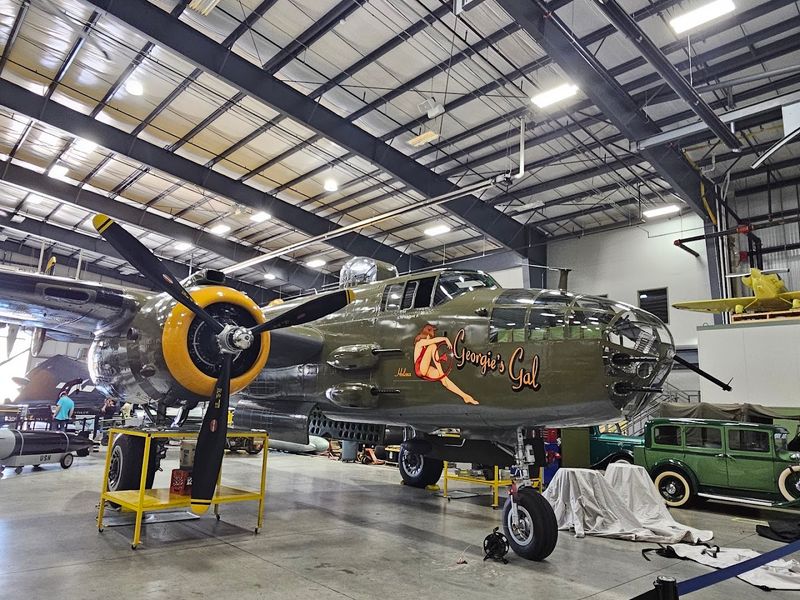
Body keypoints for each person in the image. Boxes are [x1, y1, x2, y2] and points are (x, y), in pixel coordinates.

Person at [413, 323, 478, 405]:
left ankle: (465, 397)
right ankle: (441, 373)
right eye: (431, 335)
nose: (431, 337)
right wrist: (445, 339)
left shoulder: (425, 343)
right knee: (433, 346)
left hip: (424, 368)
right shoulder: (421, 342)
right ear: (427, 334)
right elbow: (434, 341)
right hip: (419, 368)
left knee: (445, 381)